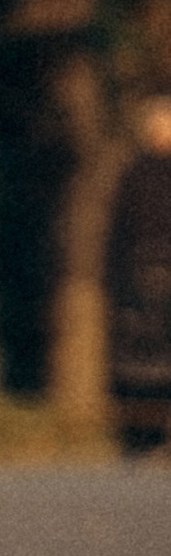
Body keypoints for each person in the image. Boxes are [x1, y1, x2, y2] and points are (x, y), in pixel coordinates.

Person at [106, 95, 171, 450]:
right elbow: (119, 231)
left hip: (150, 274)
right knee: (137, 357)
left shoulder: (132, 173)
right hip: (139, 276)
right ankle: (139, 434)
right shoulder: (133, 174)